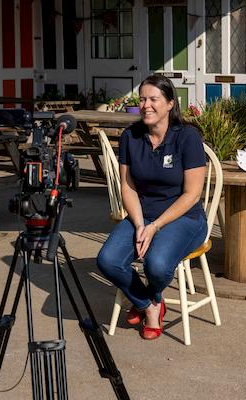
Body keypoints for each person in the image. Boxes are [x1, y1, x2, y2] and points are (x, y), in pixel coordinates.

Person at [97, 75, 207, 340]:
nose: (146, 105)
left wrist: (156, 226)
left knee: (156, 266)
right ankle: (150, 304)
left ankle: (151, 297)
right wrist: (138, 224)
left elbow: (192, 194)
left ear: (170, 104)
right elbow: (128, 186)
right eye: (143, 99)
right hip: (142, 214)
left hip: (184, 217)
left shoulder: (187, 137)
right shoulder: (130, 137)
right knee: (108, 260)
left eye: (153, 99)